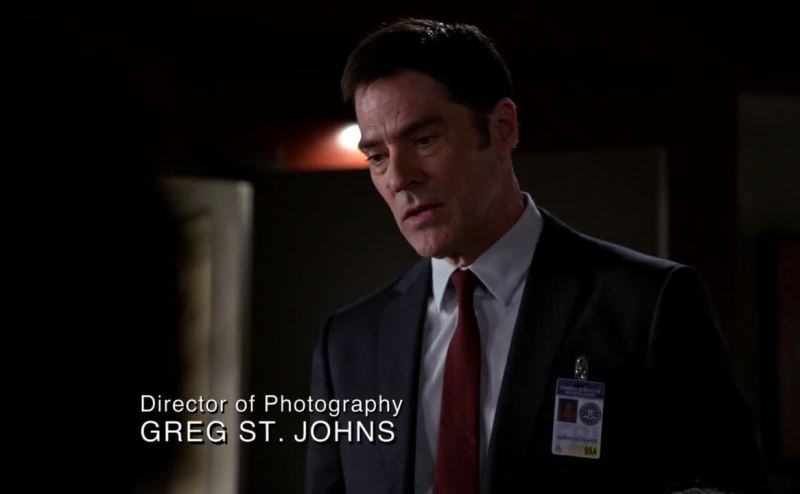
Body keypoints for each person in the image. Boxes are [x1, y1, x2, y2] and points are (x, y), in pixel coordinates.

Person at [306, 18, 767, 494]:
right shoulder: (351, 340)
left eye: (424, 140)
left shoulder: (644, 305)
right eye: (377, 157)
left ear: (502, 128)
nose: (399, 177)